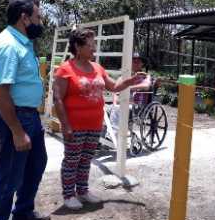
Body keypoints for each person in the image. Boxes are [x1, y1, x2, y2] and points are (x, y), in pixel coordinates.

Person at [52, 28, 147, 210]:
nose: (94, 49)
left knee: (86, 159)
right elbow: (58, 98)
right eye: (90, 45)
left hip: (94, 124)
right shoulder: (65, 69)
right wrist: (65, 125)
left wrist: (131, 81)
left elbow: (113, 86)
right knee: (72, 160)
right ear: (78, 47)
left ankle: (83, 191)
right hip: (75, 125)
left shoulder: (97, 68)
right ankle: (68, 195)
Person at [0, 0, 50, 220]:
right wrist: (16, 131)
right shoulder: (8, 45)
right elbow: (2, 93)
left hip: (28, 115)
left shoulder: (22, 42)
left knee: (36, 163)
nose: (40, 21)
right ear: (24, 17)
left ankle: (22, 214)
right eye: (38, 17)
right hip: (15, 117)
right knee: (10, 174)